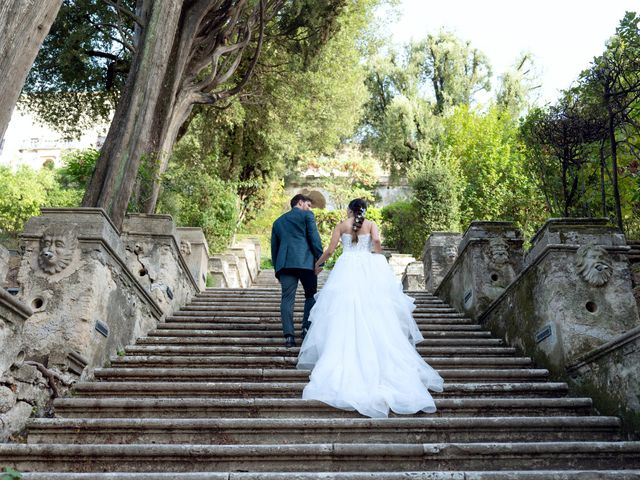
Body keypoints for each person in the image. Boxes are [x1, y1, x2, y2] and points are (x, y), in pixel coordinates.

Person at [297, 198, 444, 418]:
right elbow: (376, 243)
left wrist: (317, 266)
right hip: (367, 269)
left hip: (345, 269)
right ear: (363, 210)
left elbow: (329, 250)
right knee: (374, 311)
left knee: (342, 312)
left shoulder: (341, 226)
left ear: (349, 210)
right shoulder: (372, 224)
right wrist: (374, 254)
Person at [271, 194, 324, 348]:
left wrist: (277, 268)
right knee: (310, 295)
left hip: (285, 264)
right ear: (300, 202)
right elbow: (314, 238)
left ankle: (289, 336)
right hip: (306, 262)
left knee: (287, 298)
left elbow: (274, 248)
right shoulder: (307, 215)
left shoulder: (278, 222)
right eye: (308, 204)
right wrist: (320, 260)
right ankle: (306, 330)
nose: (309, 208)